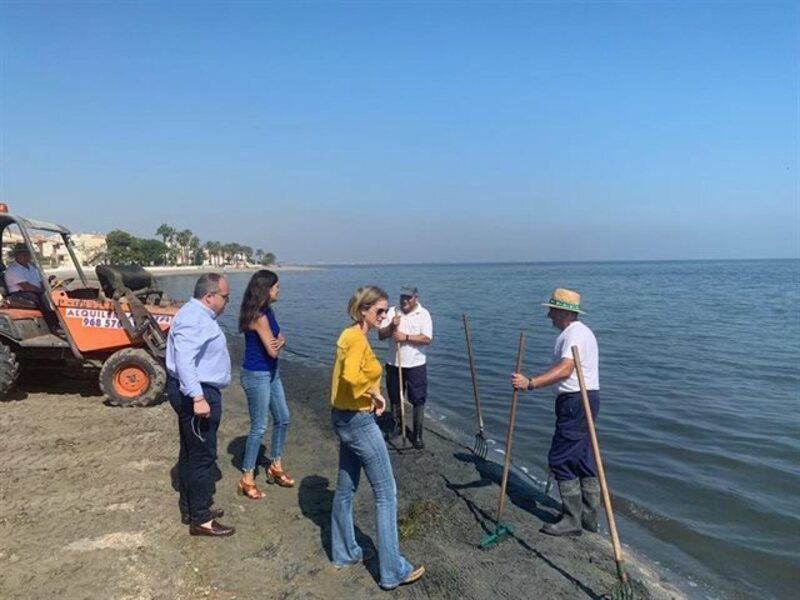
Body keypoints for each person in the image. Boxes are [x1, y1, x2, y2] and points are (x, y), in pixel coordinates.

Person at [330, 285, 425, 590]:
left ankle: (344, 552)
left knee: (346, 487)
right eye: (380, 311)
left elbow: (347, 377)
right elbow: (350, 375)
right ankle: (392, 570)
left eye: (386, 310)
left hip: (344, 417)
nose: (385, 316)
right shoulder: (355, 338)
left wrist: (371, 394)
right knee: (386, 492)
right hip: (358, 421)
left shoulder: (353, 335)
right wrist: (374, 393)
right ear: (363, 311)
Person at [511, 288, 601, 537]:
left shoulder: (574, 335)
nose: (548, 315)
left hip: (576, 400)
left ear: (563, 311)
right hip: (587, 398)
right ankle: (589, 519)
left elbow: (565, 370)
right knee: (583, 459)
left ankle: (572, 521)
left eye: (552, 310)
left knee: (560, 458)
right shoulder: (582, 332)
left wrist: (530, 383)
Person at [166, 273, 235, 537]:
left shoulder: (196, 316)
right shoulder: (194, 318)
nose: (227, 302)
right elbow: (184, 360)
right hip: (198, 393)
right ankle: (202, 519)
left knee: (190, 452)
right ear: (210, 296)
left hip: (195, 389)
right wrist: (198, 397)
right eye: (225, 297)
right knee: (202, 456)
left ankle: (191, 509)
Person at [237, 269, 293, 500]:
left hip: (271, 372)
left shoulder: (267, 312)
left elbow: (280, 339)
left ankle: (275, 465)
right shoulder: (258, 317)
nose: (279, 290)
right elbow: (273, 348)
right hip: (256, 374)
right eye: (276, 286)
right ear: (266, 289)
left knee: (283, 418)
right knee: (259, 426)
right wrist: (279, 341)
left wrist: (279, 341)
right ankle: (247, 477)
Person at [378, 285, 433, 449]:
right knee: (395, 396)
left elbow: (427, 338)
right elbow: (381, 335)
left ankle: (417, 435)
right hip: (394, 363)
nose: (405, 300)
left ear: (416, 298)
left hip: (416, 365)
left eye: (408, 297)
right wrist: (392, 327)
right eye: (403, 297)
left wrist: (406, 337)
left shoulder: (423, 314)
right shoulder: (392, 312)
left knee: (418, 399)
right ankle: (397, 427)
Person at [4, 243, 62, 331]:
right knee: (41, 298)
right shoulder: (13, 269)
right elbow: (25, 286)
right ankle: (51, 325)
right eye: (22, 254)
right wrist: (42, 291)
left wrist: (48, 288)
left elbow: (40, 282)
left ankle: (59, 322)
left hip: (34, 291)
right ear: (16, 255)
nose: (26, 256)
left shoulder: (32, 267)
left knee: (56, 296)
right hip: (19, 294)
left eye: (27, 253)